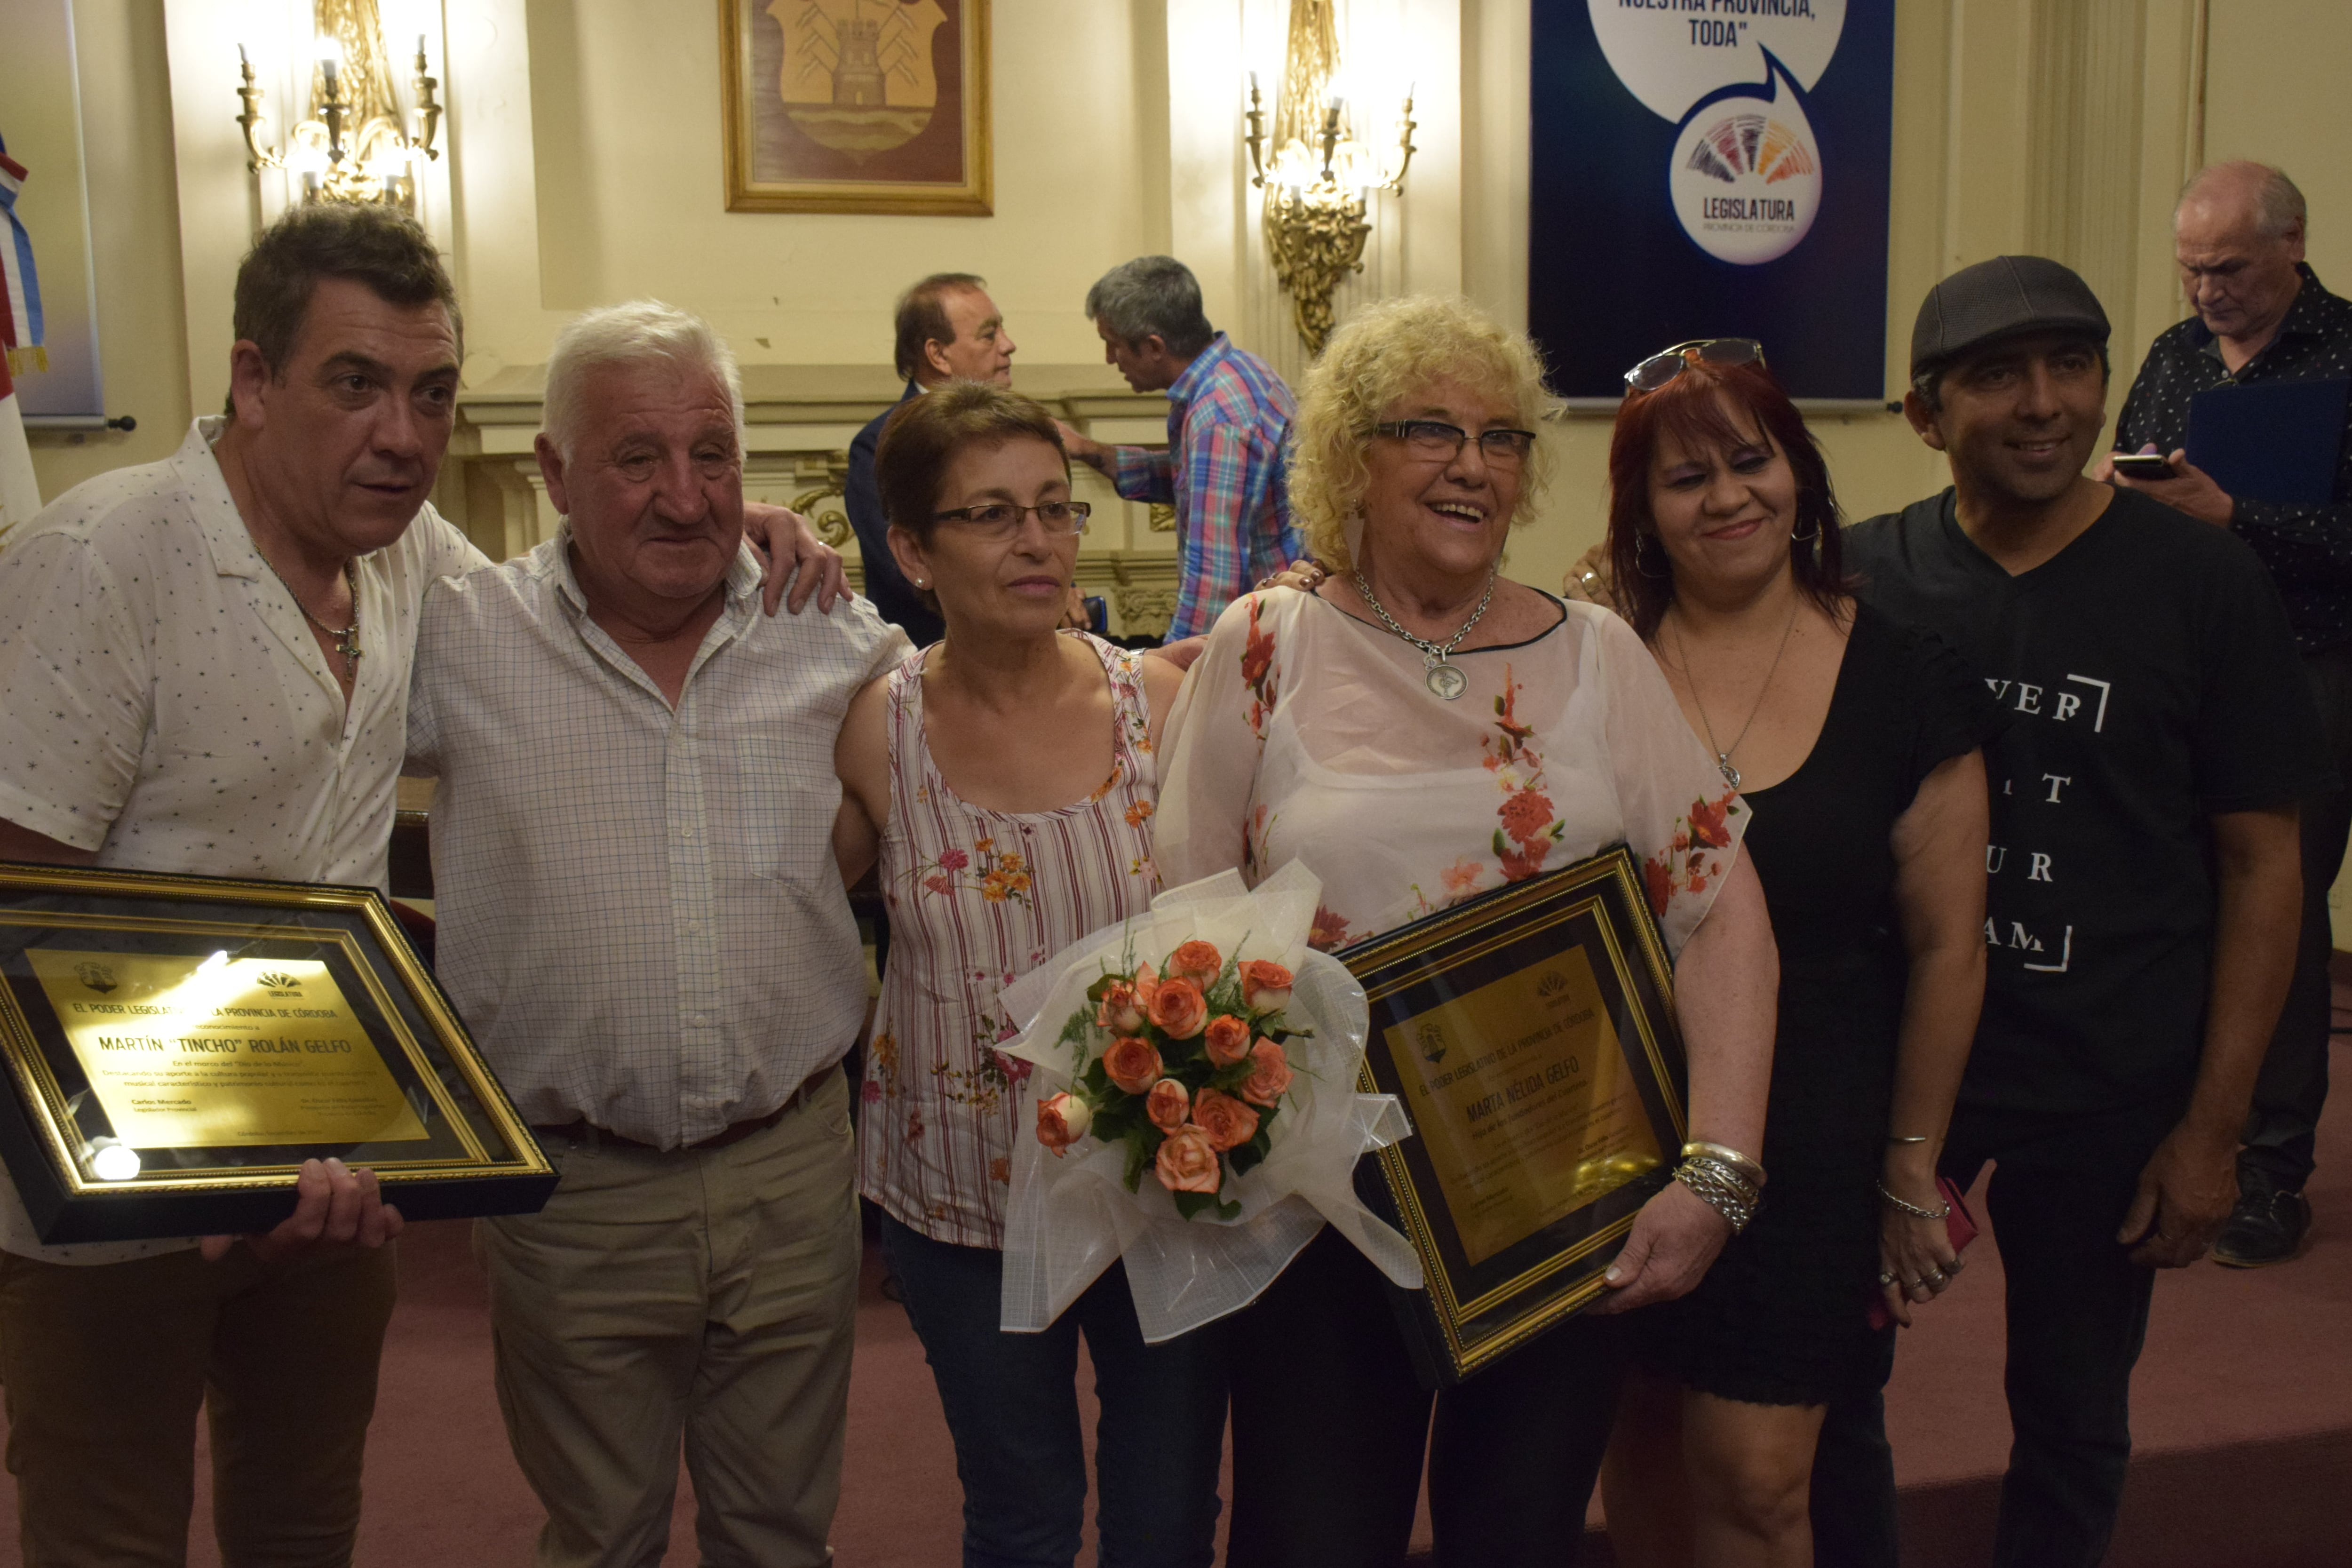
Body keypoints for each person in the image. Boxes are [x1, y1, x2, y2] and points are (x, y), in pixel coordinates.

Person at [0, 201, 844, 1563]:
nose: (401, 432)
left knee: (302, 1520)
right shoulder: (103, 562)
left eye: (432, 392)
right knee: (108, 1537)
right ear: (252, 379)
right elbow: (18, 915)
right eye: (355, 383)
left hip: (335, 1181)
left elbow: (604, 549)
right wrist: (205, 1159)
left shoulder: (407, 567)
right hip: (108, 1203)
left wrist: (716, 509)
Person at [1153, 295, 1780, 1568]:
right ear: (1349, 458)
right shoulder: (1266, 644)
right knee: (1313, 1540)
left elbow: (1722, 916)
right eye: (1429, 429)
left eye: (1501, 438)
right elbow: (1186, 923)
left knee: (1522, 1535)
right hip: (1325, 1213)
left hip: (1560, 1191)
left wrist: (1717, 1168)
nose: (1472, 464)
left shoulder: (1598, 654)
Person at [1825, 256, 2328, 1568]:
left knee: (2072, 1413)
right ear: (1927, 414)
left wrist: (2218, 1128)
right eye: (1997, 375)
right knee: (1837, 1393)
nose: (2045, 403)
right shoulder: (1863, 582)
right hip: (1895, 1076)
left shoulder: (2203, 584)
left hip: (2111, 1078)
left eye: (2074, 367)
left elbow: (2267, 864)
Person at [405, 300, 902, 1567]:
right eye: (637, 459)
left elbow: (986, 728)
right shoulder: (462, 638)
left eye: (715, 455)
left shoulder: (829, 630)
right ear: (556, 473)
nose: (686, 498)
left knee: (783, 1536)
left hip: (791, 1171)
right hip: (569, 1192)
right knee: (602, 1538)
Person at [1570, 342, 1995, 1568]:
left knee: (1759, 1477)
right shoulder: (1593, 664)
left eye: (1751, 461)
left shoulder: (1911, 676)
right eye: (1685, 477)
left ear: (1800, 476)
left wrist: (1913, 1167)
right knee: (1639, 1437)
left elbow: (1947, 948)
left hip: (1817, 1121)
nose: (1727, 497)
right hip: (1617, 1109)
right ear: (1642, 510)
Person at [829, 382, 1221, 1568]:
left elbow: (1242, 936)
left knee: (1165, 1517)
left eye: (1055, 508)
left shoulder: (1160, 704)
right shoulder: (873, 728)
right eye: (993, 516)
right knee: (1021, 1514)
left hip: (1162, 1189)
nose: (1041, 541)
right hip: (961, 1201)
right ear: (912, 549)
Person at [2101, 161, 2352, 1267]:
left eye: (2230, 268)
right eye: (2192, 269)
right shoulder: (2173, 356)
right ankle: (2177, 1132)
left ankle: (2272, 1171)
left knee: (2281, 918)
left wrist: (2237, 515)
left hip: (2312, 667)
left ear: (2293, 245)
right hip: (2183, 665)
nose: (2207, 291)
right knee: (2179, 900)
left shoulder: (2345, 357)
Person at [1056, 255, 1303, 639]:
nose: (1109, 359)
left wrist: (1167, 677)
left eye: (1113, 344)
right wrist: (1090, 450)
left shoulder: (1218, 415)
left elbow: (1213, 581)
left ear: (1154, 346)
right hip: (1285, 618)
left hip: (1274, 634)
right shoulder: (1241, 372)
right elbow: (1192, 482)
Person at [846, 272, 1020, 647]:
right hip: (927, 661)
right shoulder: (878, 445)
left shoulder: (1018, 434)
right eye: (989, 335)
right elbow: (904, 573)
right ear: (938, 354)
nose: (1009, 345)